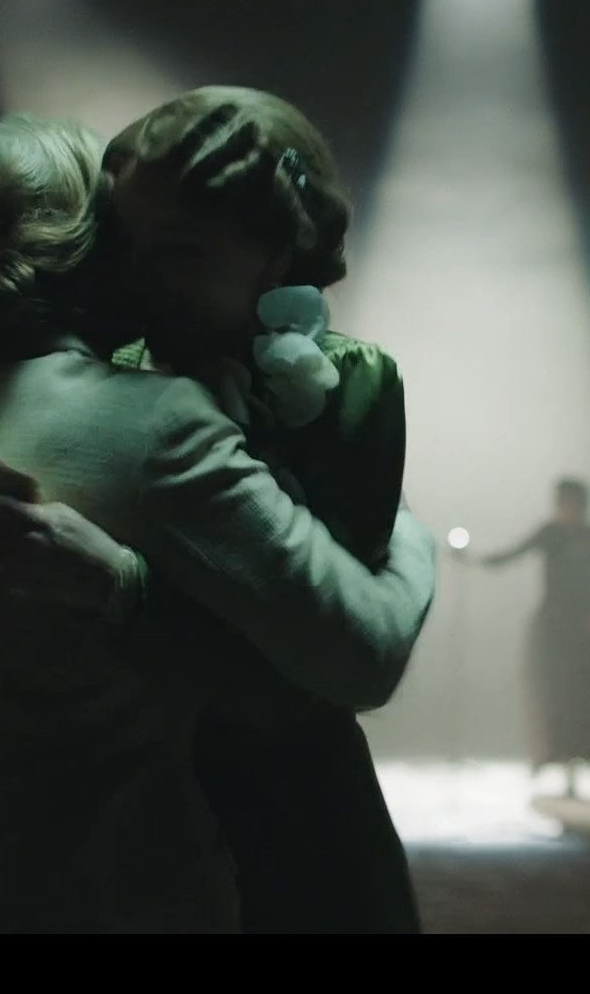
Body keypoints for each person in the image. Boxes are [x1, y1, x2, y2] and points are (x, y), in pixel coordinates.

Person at [0, 113, 438, 934]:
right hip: (87, 892)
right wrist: (410, 534)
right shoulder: (158, 422)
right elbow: (363, 654)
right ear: (95, 251)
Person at [95, 85, 423, 934]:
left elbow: (305, 642)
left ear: (278, 256)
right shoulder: (113, 369)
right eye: (124, 246)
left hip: (290, 812)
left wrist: (123, 593)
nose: (139, 278)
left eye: (180, 252)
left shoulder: (347, 386)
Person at [468, 477, 590, 798]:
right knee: (548, 694)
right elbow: (511, 554)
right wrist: (473, 558)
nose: (569, 511)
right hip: (553, 631)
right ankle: (548, 753)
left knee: (581, 699)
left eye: (575, 505)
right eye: (564, 505)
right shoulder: (550, 534)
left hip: (586, 634)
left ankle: (575, 763)